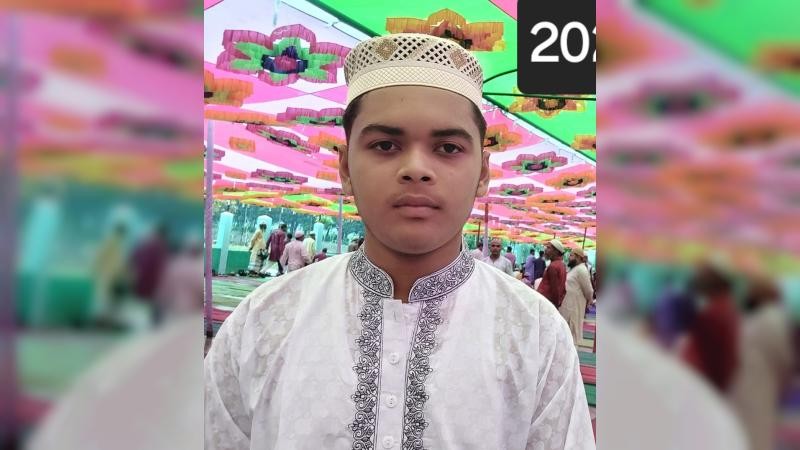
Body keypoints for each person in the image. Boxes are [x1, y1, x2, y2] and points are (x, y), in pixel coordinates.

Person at [206, 33, 593, 450]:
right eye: (386, 145)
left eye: (448, 147)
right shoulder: (262, 320)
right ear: (345, 168)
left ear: (483, 173)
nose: (416, 168)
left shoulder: (535, 334)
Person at [681, 263, 740, 393]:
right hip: (710, 383)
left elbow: (705, 357)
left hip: (702, 384)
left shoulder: (714, 314)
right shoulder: (726, 309)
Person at [559, 248, 594, 345]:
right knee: (565, 334)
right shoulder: (574, 269)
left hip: (574, 307)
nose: (569, 258)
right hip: (567, 305)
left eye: (571, 255)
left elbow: (589, 291)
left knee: (572, 334)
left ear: (578, 257)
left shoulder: (582, 270)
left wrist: (589, 301)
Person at [537, 240, 567, 308]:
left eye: (548, 248)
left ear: (556, 251)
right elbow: (563, 289)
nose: (545, 249)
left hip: (547, 303)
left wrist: (555, 305)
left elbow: (555, 290)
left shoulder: (553, 266)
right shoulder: (562, 265)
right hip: (549, 302)